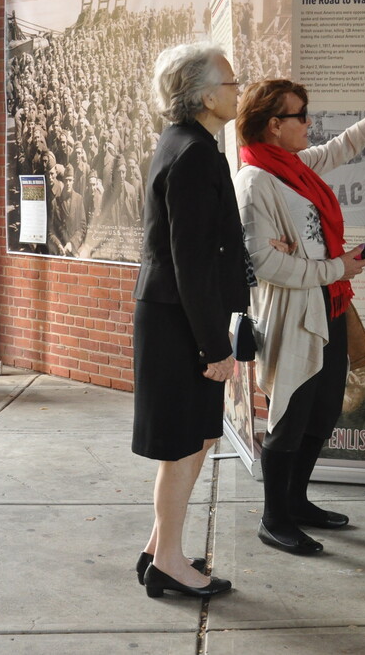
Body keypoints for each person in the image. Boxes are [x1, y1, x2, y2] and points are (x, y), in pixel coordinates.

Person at [235, 73, 365, 555]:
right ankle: (275, 518)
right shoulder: (254, 181)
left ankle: (297, 503)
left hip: (326, 304)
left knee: (322, 414)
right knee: (289, 418)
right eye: (300, 116)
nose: (310, 124)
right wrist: (335, 267)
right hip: (293, 315)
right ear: (272, 125)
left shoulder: (292, 167)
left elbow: (341, 147)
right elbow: (265, 263)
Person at [131, 42, 247, 599]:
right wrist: (213, 347)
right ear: (205, 96)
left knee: (197, 438)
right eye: (231, 82)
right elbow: (193, 261)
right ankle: (170, 562)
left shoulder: (185, 143)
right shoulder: (195, 153)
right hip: (181, 320)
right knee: (183, 445)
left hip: (177, 315)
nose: (238, 90)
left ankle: (161, 548)